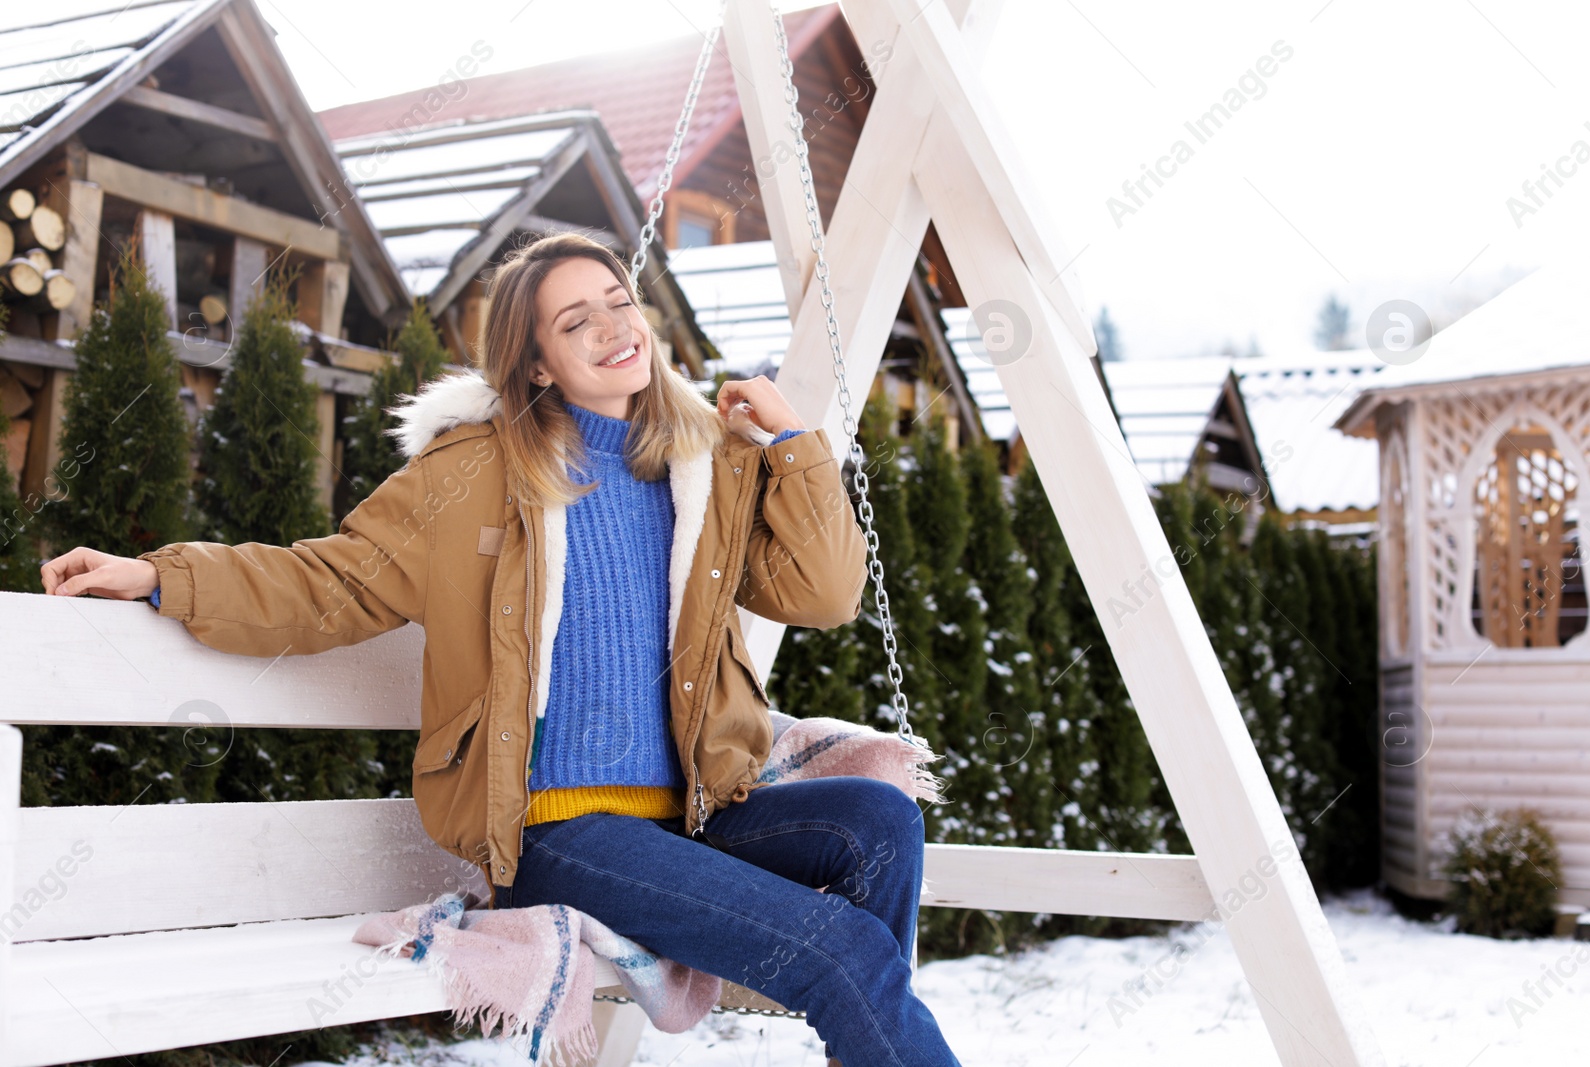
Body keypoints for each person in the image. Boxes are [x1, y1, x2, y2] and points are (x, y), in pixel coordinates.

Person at [39, 233, 962, 1066]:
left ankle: (868, 1044)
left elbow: (826, 592)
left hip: (690, 817)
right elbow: (331, 580)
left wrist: (795, 446)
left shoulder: (707, 468)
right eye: (575, 320)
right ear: (536, 365)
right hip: (561, 833)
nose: (611, 326)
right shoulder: (475, 474)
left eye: (617, 300)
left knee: (879, 823)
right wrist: (161, 575)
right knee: (837, 951)